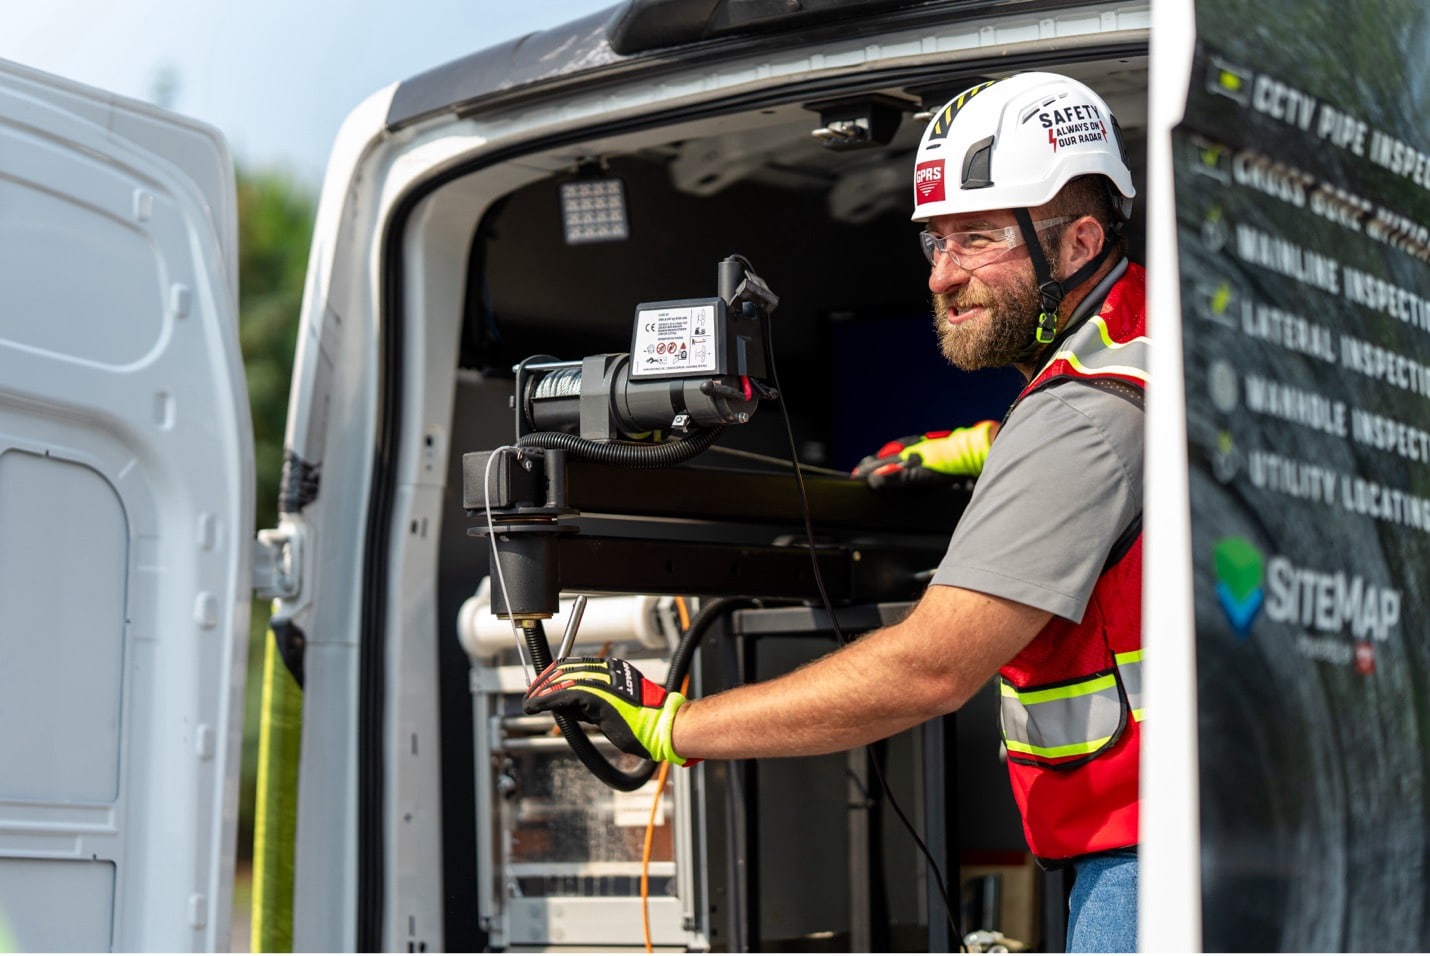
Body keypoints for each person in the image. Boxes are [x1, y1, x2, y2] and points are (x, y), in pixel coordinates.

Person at [524, 71, 1147, 953]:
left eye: (976, 239)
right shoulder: (1150, 343)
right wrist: (980, 445)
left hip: (1141, 853)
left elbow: (930, 670)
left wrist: (675, 725)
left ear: (1079, 239)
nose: (943, 276)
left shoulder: (1083, 416)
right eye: (934, 242)